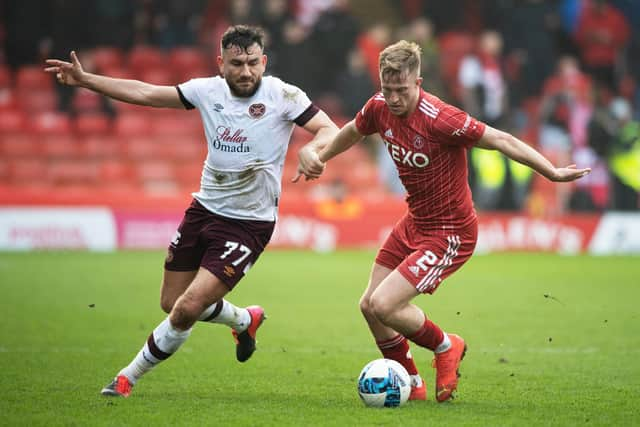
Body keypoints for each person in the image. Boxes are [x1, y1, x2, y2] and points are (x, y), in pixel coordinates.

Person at [45, 25, 338, 398]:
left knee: (185, 310)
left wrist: (314, 152)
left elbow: (328, 129)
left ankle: (125, 379)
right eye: (236, 64)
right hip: (203, 211)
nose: (245, 72)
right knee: (171, 303)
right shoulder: (206, 90)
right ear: (221, 63)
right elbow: (146, 92)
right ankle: (244, 320)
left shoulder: (283, 95)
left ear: (263, 61)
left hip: (250, 223)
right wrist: (88, 81)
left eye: (252, 63)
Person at [296, 40, 591, 402]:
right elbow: (353, 132)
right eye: (387, 89)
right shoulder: (378, 107)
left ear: (418, 81)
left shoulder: (442, 119)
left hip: (451, 231)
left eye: (401, 90)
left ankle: (446, 346)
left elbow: (500, 139)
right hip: (415, 221)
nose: (393, 98)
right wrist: (322, 156)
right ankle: (412, 382)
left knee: (386, 305)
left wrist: (551, 172)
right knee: (369, 307)